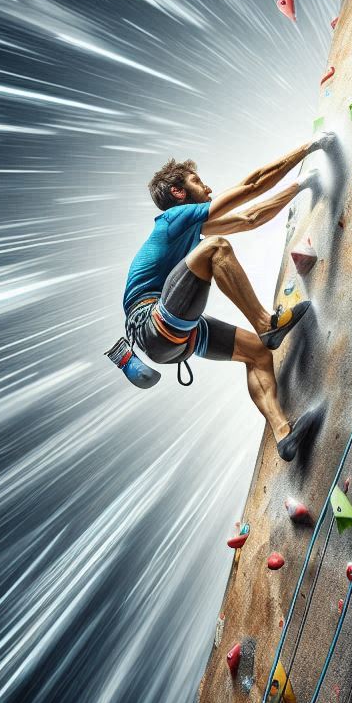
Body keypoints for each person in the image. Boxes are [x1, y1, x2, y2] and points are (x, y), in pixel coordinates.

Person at [113, 133, 336, 461]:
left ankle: (283, 434)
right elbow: (252, 186)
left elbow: (251, 217)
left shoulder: (192, 230)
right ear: (178, 192)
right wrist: (309, 146)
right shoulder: (174, 219)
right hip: (151, 321)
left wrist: (300, 184)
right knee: (215, 248)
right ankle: (266, 323)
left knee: (258, 354)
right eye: (197, 181)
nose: (208, 188)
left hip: (172, 340)